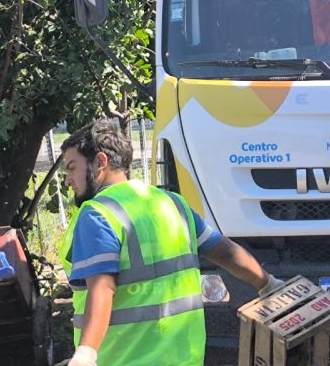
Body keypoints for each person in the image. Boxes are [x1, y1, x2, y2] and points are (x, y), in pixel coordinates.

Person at [58, 119, 284, 366]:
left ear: (100, 162)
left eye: (72, 168)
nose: (68, 180)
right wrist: (267, 283)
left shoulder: (98, 214)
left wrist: (86, 352)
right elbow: (226, 253)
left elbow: (102, 287)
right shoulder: (172, 203)